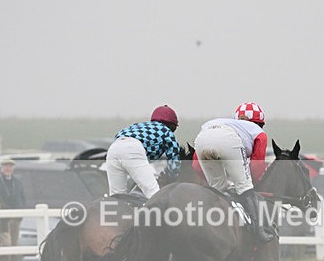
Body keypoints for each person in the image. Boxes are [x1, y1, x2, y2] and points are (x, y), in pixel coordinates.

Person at [192, 102, 275, 242]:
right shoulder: (258, 132)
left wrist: (212, 178)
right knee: (245, 187)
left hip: (202, 138)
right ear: (260, 124)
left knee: (218, 191)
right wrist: (252, 185)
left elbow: (196, 166)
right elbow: (256, 166)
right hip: (228, 140)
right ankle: (259, 231)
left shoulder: (225, 124)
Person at [105, 105, 181, 199]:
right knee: (154, 194)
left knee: (116, 197)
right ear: (171, 125)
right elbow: (174, 158)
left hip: (113, 148)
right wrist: (173, 178)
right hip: (132, 149)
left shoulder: (138, 126)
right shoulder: (166, 131)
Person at [0, 159, 26, 261]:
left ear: (13, 168)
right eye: (5, 166)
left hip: (15, 219)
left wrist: (21, 211)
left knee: (13, 244)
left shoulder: (17, 182)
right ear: (1, 167)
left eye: (10, 166)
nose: (8, 168)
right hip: (3, 219)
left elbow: (22, 198)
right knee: (6, 244)